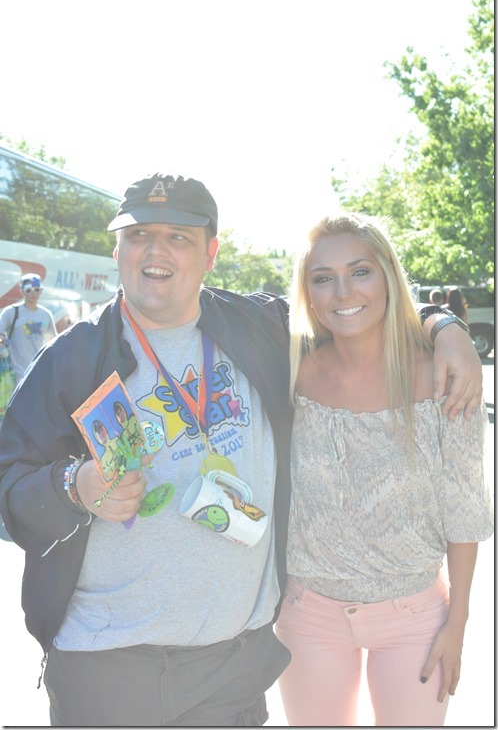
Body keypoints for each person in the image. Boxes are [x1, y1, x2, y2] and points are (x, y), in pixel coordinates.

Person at [0, 174, 482, 727]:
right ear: (117, 250)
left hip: (231, 669)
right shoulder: (73, 358)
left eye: (178, 237)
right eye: (139, 235)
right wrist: (74, 487)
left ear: (211, 254)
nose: (156, 251)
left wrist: (446, 328)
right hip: (106, 665)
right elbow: (9, 482)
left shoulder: (258, 327)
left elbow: (355, 312)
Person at [274, 213, 493, 727]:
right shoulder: (291, 372)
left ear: (389, 276)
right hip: (308, 614)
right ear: (308, 294)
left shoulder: (444, 377)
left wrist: (458, 623)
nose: (342, 291)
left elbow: (464, 512)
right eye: (323, 278)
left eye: (360, 271)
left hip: (415, 617)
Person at [0, 273, 57, 385]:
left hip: (39, 374)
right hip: (15, 376)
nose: (33, 293)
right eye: (28, 290)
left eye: (36, 289)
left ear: (41, 291)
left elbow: (53, 341)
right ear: (22, 292)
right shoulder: (10, 312)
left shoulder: (46, 314)